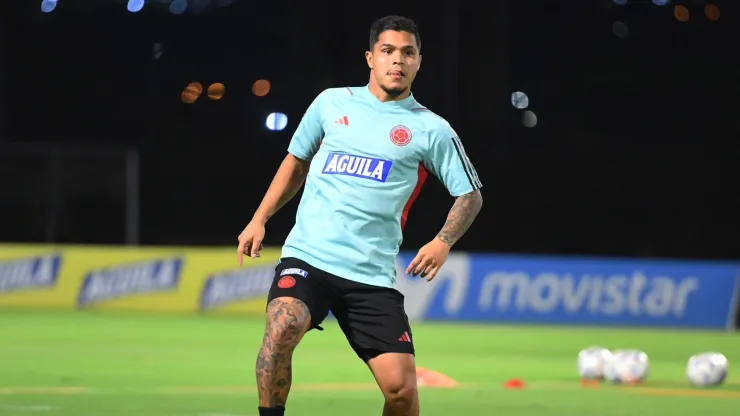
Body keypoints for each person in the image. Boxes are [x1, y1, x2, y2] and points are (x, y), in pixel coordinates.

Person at [237, 15, 483, 416]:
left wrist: (443, 241)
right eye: (388, 51)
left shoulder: (431, 129)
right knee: (281, 329)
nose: (397, 61)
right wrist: (259, 217)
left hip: (370, 276)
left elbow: (470, 195)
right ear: (371, 57)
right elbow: (296, 161)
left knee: (402, 394)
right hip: (309, 259)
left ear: (420, 61)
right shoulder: (331, 103)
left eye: (408, 53)